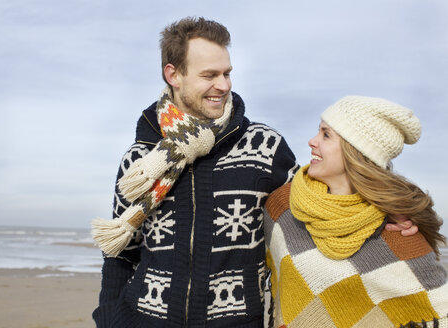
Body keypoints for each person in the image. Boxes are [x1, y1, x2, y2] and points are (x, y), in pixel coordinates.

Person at [91, 17, 299, 327]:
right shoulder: (140, 161)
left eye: (227, 73)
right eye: (209, 75)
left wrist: (391, 214)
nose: (224, 85)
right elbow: (121, 253)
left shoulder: (265, 147)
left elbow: (315, 213)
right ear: (173, 75)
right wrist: (109, 319)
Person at [264, 96, 448, 327]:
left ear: (356, 153)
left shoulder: (397, 233)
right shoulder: (283, 206)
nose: (312, 141)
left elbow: (438, 311)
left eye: (326, 134)